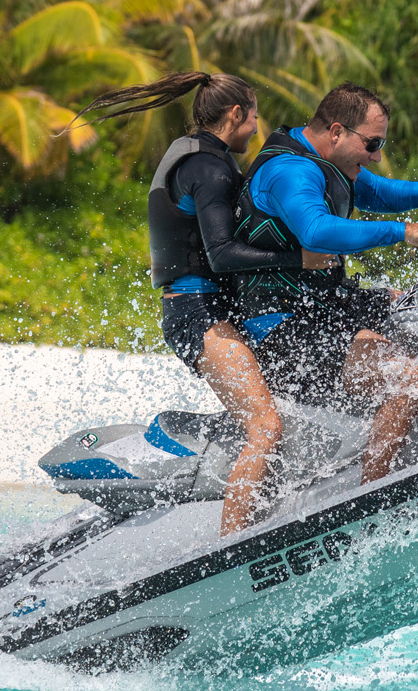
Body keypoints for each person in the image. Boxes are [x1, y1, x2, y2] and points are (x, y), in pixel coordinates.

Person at [79, 71, 335, 537]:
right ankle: (231, 547)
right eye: (254, 118)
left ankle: (268, 512)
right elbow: (223, 254)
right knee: (265, 425)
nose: (256, 129)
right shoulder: (210, 170)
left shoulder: (198, 157)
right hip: (198, 315)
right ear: (236, 114)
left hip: (212, 310)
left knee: (284, 411)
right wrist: (302, 257)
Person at [234, 83, 418, 484]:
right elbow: (315, 230)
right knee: (408, 381)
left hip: (324, 308)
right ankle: (372, 497)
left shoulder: (326, 159)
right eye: (372, 144)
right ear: (336, 131)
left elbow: (377, 192)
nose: (377, 155)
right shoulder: (290, 171)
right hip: (282, 331)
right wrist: (404, 232)